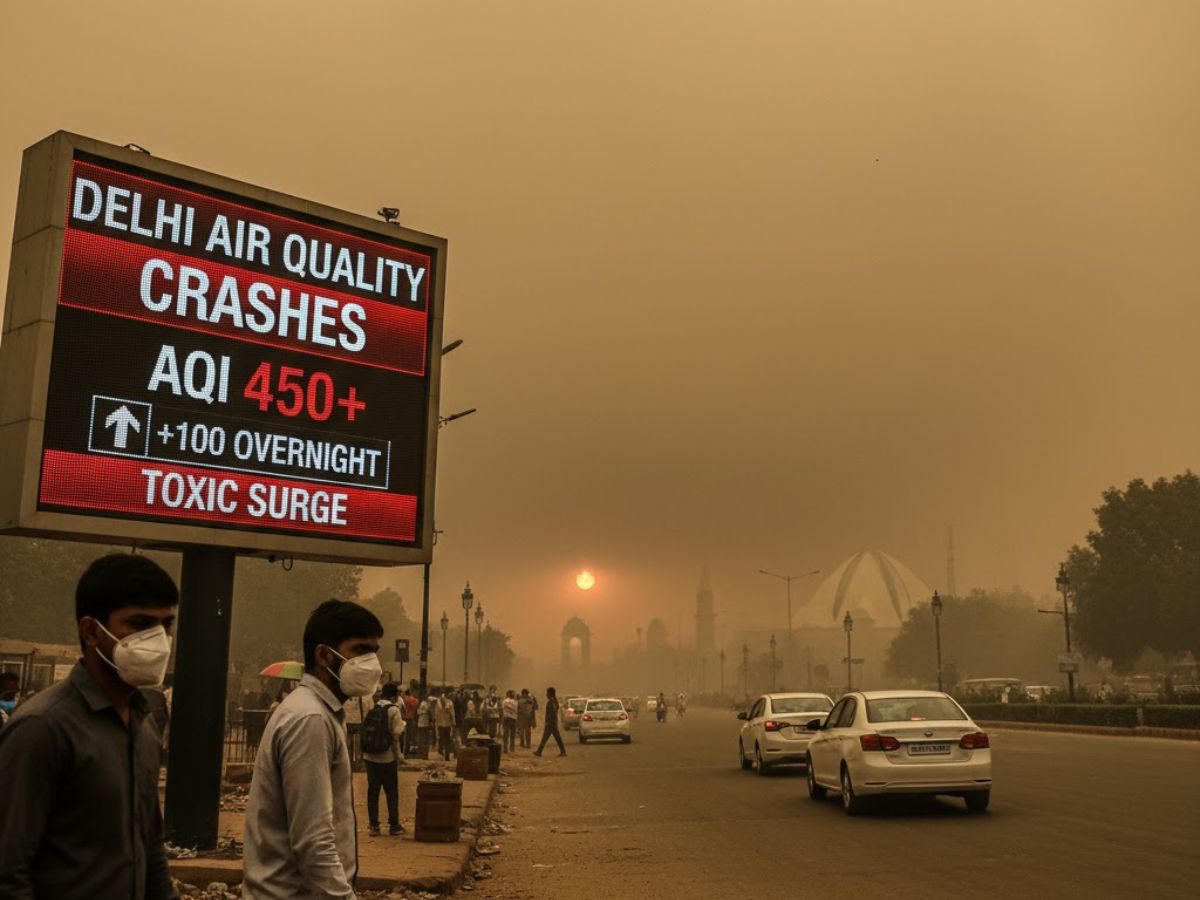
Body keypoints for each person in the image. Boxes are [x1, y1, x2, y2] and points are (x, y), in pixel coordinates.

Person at [0, 552, 178, 899]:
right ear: (91, 632)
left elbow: (151, 852)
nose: (158, 641)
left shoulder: (144, 725)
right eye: (139, 624)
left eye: (166, 625)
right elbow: (8, 871)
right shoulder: (42, 728)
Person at [243, 599, 383, 899]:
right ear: (324, 655)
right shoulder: (311, 719)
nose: (371, 663)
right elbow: (314, 842)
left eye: (374, 652)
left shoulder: (318, 711)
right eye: (360, 650)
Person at [362, 682, 406, 837]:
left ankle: (374, 826)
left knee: (372, 791)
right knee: (391, 791)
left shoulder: (372, 708)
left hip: (369, 757)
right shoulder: (394, 710)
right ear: (394, 696)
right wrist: (399, 756)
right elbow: (395, 736)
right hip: (387, 758)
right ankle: (394, 825)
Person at [533, 686, 567, 757]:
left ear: (551, 693)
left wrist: (548, 722)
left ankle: (539, 751)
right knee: (549, 738)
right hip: (552, 723)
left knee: (551, 738)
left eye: (547, 693)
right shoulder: (554, 701)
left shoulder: (552, 702)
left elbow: (553, 712)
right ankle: (539, 751)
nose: (546, 694)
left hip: (551, 723)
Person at [435, 692, 457, 760]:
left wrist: (453, 721)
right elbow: (437, 714)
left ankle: (445, 755)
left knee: (445, 740)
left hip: (445, 724)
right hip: (443, 724)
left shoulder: (448, 703)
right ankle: (443, 755)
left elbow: (452, 713)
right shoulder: (446, 703)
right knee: (444, 740)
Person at [416, 693, 433, 758]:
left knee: (423, 739)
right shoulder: (425, 704)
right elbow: (419, 712)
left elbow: (418, 712)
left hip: (423, 723)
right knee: (424, 739)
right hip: (424, 723)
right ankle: (424, 754)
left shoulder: (424, 704)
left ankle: (424, 754)